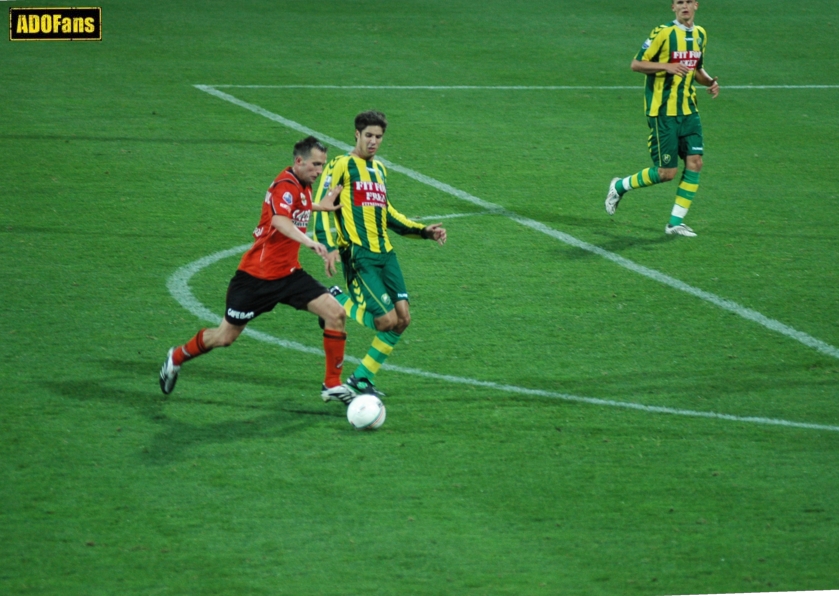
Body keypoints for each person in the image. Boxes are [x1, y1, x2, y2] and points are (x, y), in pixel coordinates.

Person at [159, 136, 358, 404]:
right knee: (224, 337)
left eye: (322, 165)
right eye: (315, 164)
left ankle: (332, 384)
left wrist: (320, 205)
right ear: (299, 161)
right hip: (256, 279)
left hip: (289, 275)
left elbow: (297, 205)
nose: (319, 171)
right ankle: (176, 357)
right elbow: (279, 219)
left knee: (336, 313)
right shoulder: (284, 186)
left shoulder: (303, 183)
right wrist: (310, 242)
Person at [311, 110, 447, 397]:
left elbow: (388, 213)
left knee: (403, 320)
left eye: (379, 137)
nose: (373, 142)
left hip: (386, 255)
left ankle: (361, 378)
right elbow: (322, 205)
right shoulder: (341, 165)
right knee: (385, 321)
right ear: (357, 135)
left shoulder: (380, 170)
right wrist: (329, 246)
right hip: (359, 256)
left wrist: (424, 231)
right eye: (369, 136)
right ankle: (336, 299)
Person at [605, 0, 720, 237]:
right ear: (673, 7)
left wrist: (710, 82)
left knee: (695, 162)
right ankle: (619, 186)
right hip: (663, 113)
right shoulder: (663, 33)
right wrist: (667, 67)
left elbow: (696, 69)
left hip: (689, 111)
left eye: (688, 2)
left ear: (696, 5)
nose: (684, 6)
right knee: (666, 173)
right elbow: (636, 64)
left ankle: (674, 223)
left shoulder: (700, 34)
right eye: (679, 2)